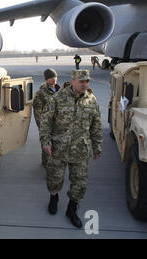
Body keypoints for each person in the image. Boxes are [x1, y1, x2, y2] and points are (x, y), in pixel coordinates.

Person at [39, 70, 102, 229]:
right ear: (72, 81)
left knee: (80, 183)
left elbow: (96, 125)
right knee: (54, 178)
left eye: (87, 81)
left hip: (81, 149)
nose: (84, 84)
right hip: (59, 148)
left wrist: (97, 146)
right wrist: (45, 142)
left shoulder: (91, 100)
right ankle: (54, 198)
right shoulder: (57, 99)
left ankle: (72, 209)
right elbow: (45, 122)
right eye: (81, 81)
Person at [32, 68, 60, 168]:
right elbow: (37, 111)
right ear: (46, 79)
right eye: (51, 77)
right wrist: (42, 126)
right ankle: (47, 165)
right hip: (46, 124)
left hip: (59, 124)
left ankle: (54, 163)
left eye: (55, 77)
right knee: (47, 144)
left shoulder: (60, 91)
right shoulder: (41, 93)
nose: (54, 79)